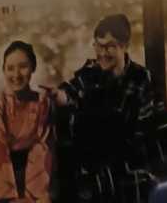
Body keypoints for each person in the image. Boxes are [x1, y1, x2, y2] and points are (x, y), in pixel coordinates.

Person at [62, 13, 158, 197]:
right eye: (98, 46)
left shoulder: (140, 78)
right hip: (95, 171)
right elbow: (68, 92)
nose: (102, 53)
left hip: (130, 169)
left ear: (125, 46)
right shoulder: (90, 72)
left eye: (109, 47)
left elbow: (142, 131)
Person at [0, 40, 55, 203]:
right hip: (0, 181)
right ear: (3, 70)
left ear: (33, 67)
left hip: (35, 178)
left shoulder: (42, 103)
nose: (16, 75)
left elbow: (43, 151)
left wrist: (37, 195)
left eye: (23, 67)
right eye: (10, 68)